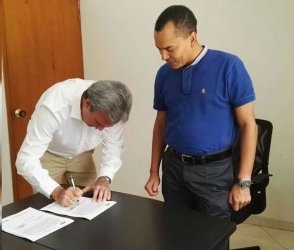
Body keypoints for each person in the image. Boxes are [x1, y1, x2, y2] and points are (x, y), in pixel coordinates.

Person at [144, 5, 257, 249]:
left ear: (192, 37)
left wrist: (243, 182)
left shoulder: (229, 66)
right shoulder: (164, 75)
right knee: (176, 235)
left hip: (214, 172)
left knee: (212, 240)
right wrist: (154, 171)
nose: (163, 56)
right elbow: (161, 123)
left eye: (169, 48)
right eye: (159, 49)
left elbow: (249, 125)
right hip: (173, 169)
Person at [16, 78, 132, 207]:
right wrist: (56, 191)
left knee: (92, 201)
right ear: (87, 104)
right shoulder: (54, 105)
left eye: (106, 127)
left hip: (83, 155)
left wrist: (104, 179)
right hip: (50, 155)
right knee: (47, 205)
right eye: (98, 123)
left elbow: (114, 147)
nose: (100, 129)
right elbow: (26, 159)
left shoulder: (115, 111)